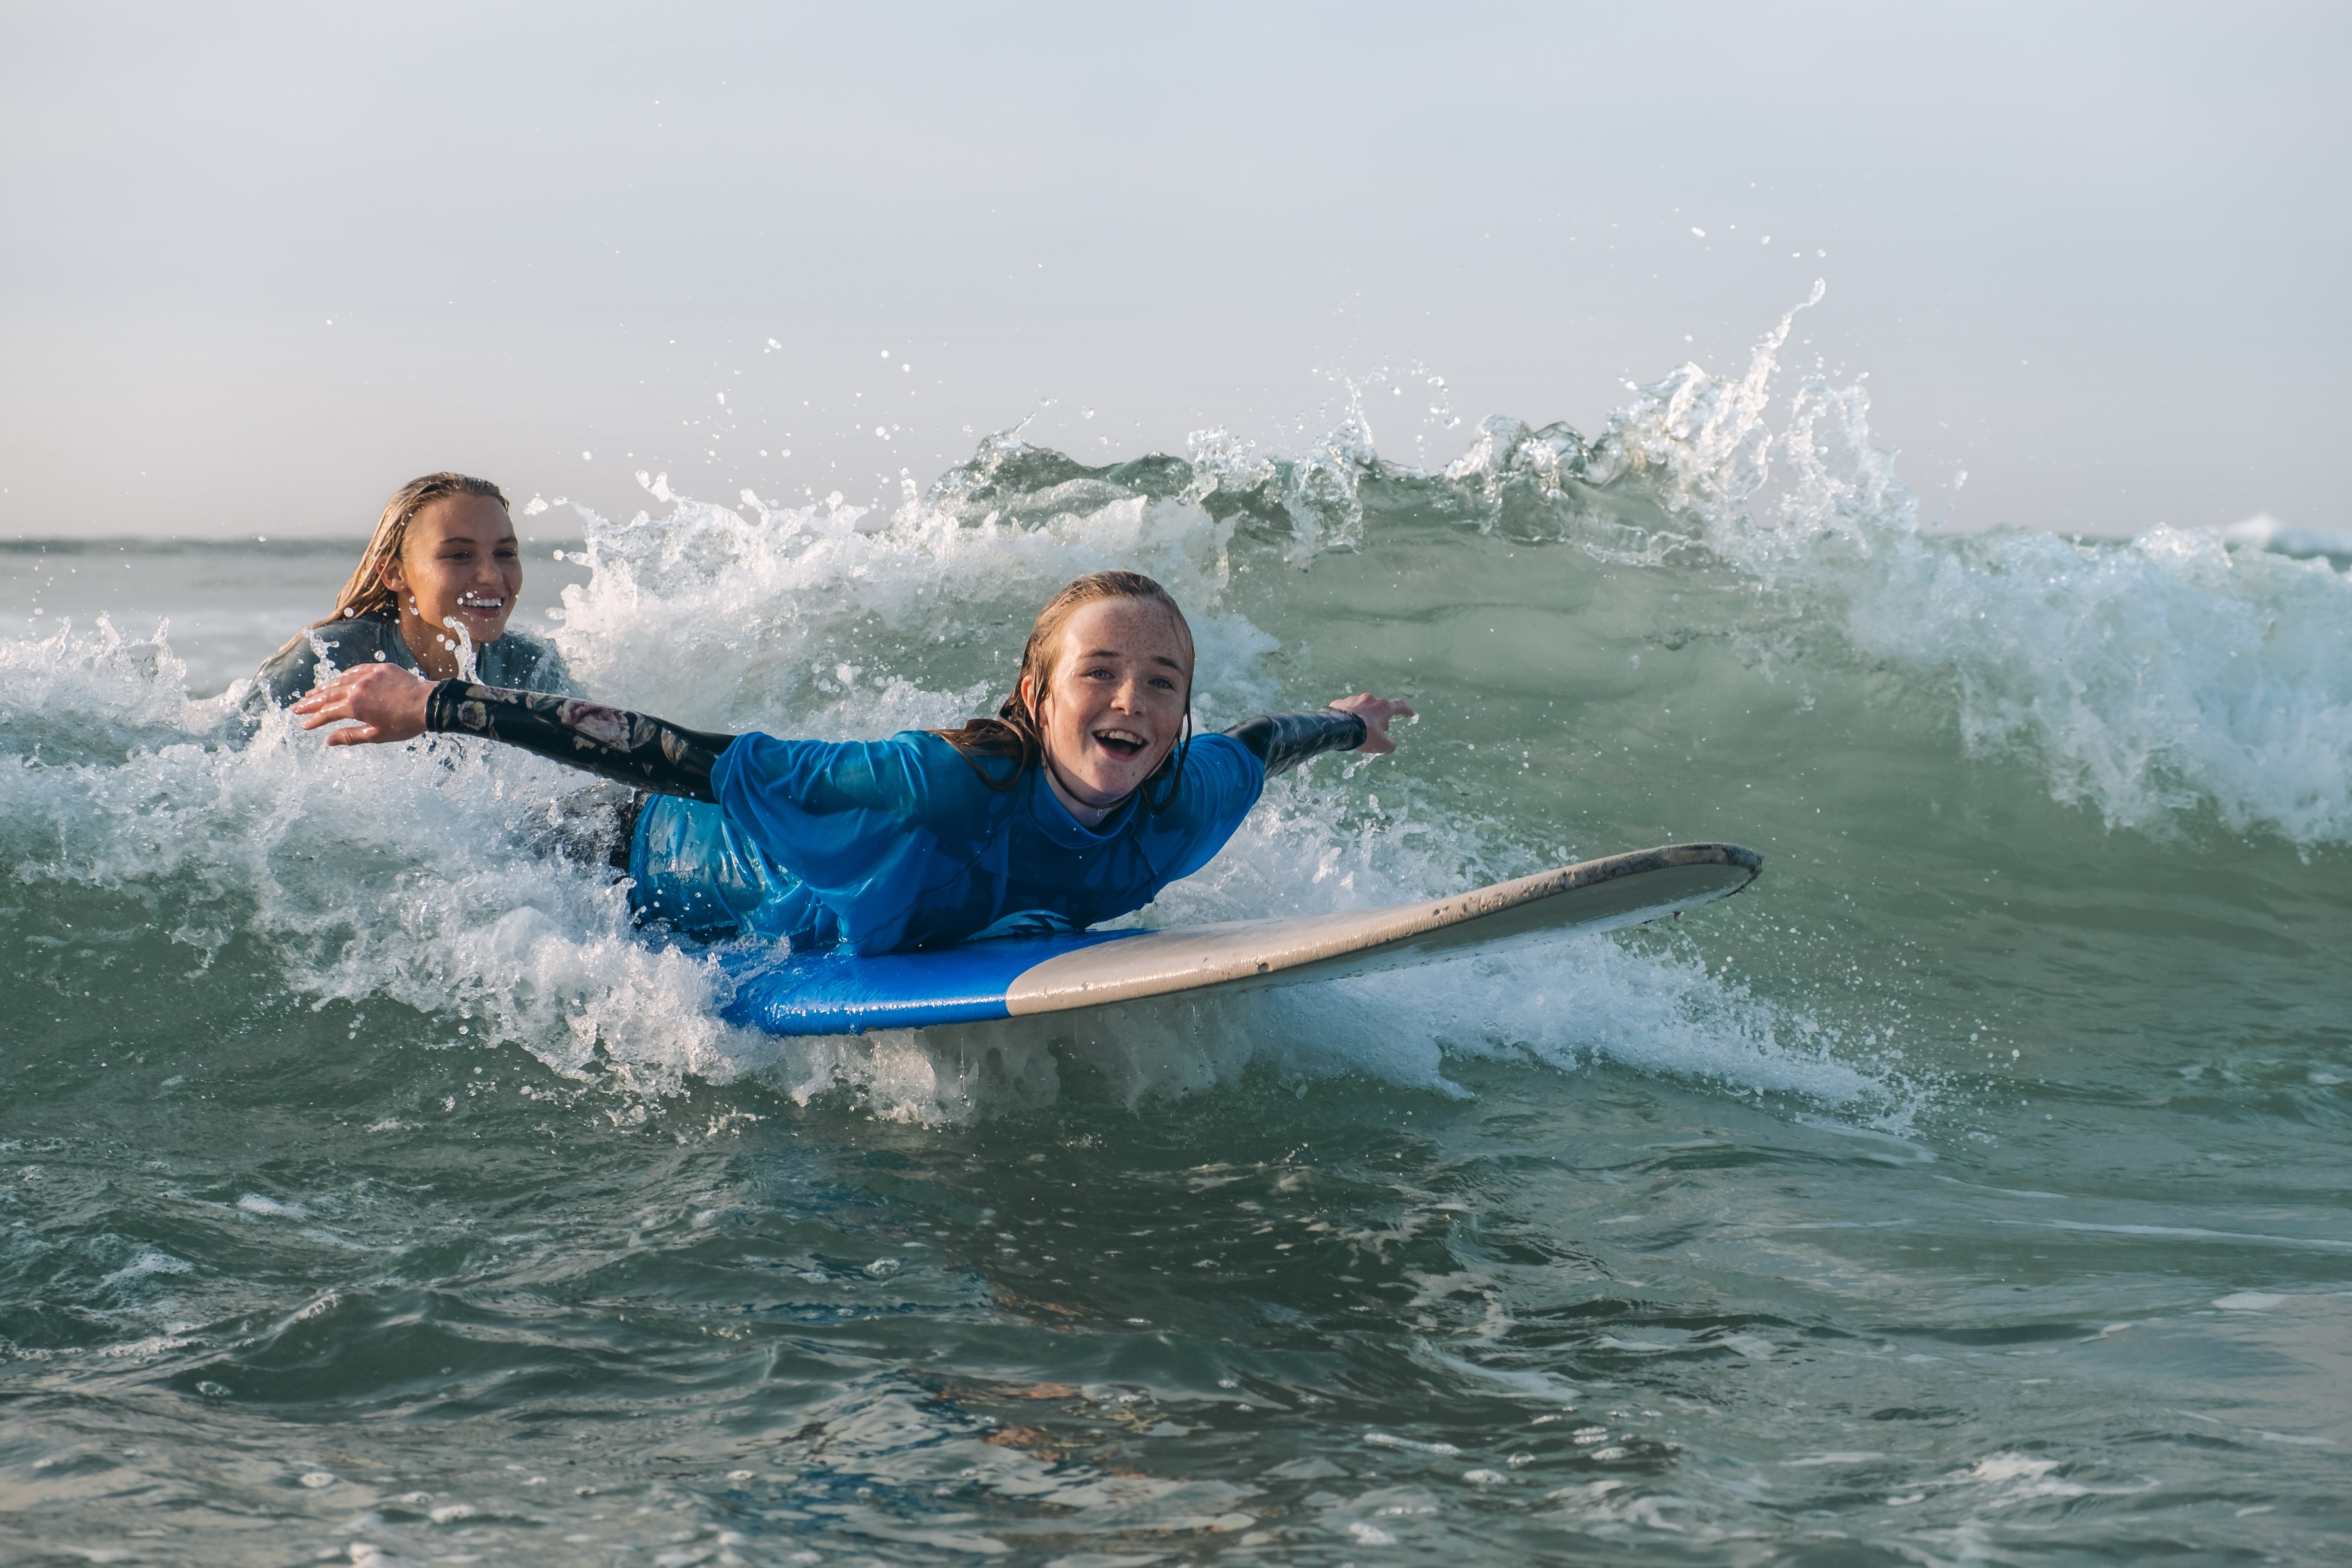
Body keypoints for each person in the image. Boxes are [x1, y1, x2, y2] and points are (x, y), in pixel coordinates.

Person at [292, 570, 1413, 954]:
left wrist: (1345, 723)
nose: (1130, 702)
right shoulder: (927, 788)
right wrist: (442, 702)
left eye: (1161, 682)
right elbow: (684, 756)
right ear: (1034, 695)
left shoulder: (1188, 793)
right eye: (1099, 672)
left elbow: (1264, 744)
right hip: (648, 862)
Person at [249, 472, 570, 709]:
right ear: (393, 573)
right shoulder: (329, 657)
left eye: (505, 554)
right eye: (459, 555)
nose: (491, 575)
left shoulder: (533, 665)